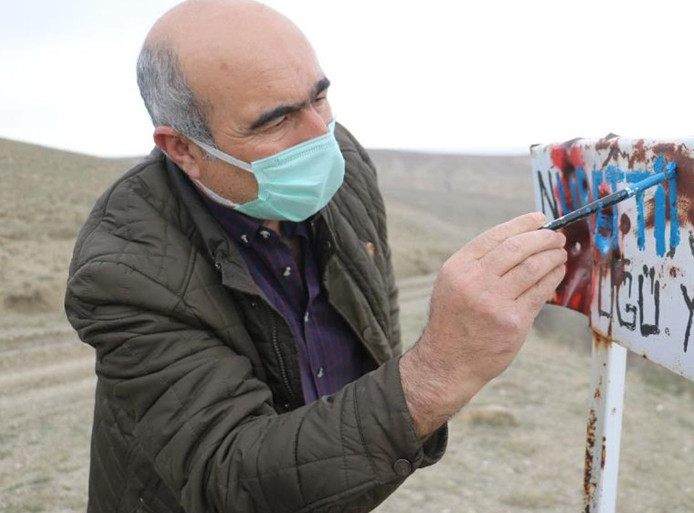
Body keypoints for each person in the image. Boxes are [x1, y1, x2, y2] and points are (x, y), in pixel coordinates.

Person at [64, 1, 568, 511]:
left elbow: (376, 324)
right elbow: (229, 478)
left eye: (319, 97)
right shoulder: (123, 268)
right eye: (275, 120)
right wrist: (438, 373)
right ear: (184, 149)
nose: (319, 136)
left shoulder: (344, 164)